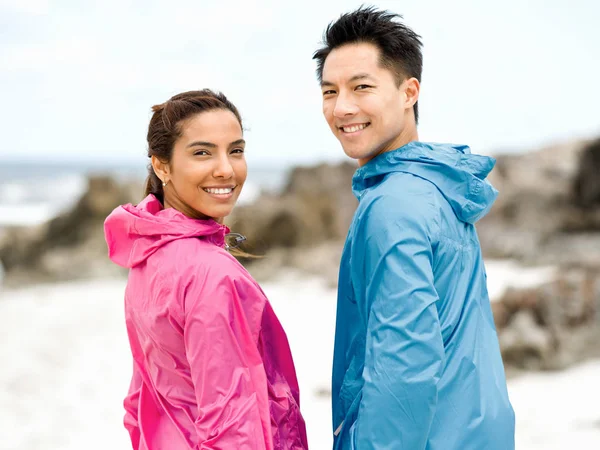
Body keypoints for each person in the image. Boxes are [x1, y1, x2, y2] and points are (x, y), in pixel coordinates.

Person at [313, 7, 515, 450]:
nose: (342, 107)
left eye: (362, 87)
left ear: (409, 92)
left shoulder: (394, 206)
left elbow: (404, 368)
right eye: (330, 91)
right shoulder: (437, 188)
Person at [104, 90, 308, 449]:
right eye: (202, 152)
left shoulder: (147, 253)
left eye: (236, 150)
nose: (226, 169)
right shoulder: (212, 274)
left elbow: (140, 401)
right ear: (161, 165)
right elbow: (232, 425)